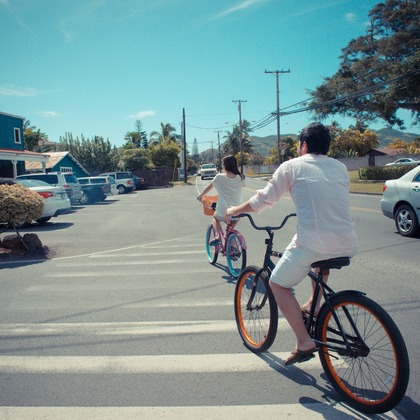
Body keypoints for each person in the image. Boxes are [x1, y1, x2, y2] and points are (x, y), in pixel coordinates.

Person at [225, 122, 359, 366]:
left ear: (304, 145)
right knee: (318, 261)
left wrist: (235, 210)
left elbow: (263, 199)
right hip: (348, 241)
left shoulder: (292, 166)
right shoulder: (340, 167)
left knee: (277, 283)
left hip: (314, 242)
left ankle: (304, 341)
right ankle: (314, 306)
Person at [197, 155, 245, 244]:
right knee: (230, 228)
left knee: (215, 218)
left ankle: (217, 237)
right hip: (238, 209)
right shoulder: (241, 177)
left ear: (225, 165)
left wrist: (201, 195)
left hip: (224, 209)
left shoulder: (219, 177)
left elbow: (209, 187)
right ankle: (233, 247)